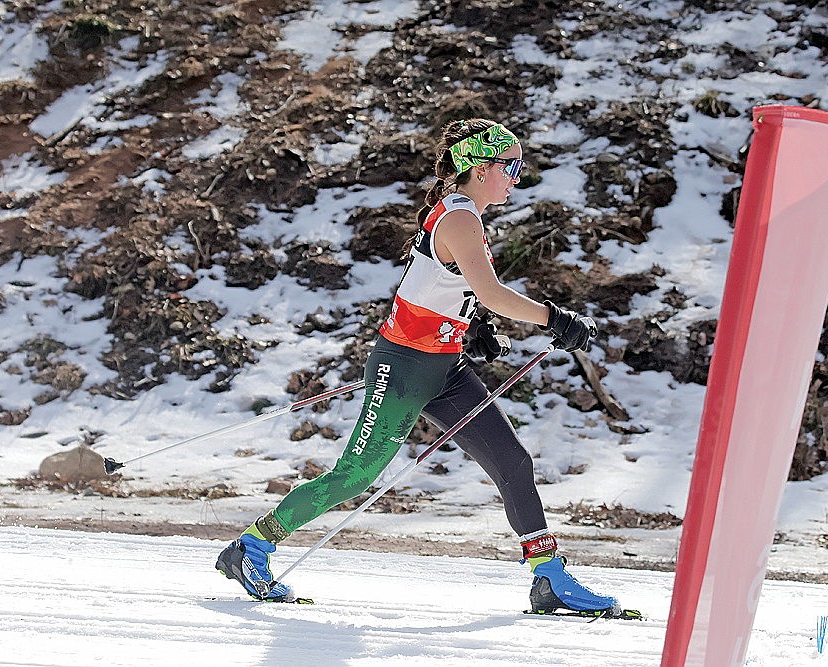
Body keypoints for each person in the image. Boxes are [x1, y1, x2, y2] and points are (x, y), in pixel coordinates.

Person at [216, 118, 622, 616]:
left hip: (444, 368)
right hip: (404, 368)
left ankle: (549, 577)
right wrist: (553, 318)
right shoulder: (459, 219)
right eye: (511, 166)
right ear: (480, 167)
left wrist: (474, 325)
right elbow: (491, 291)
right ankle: (251, 547)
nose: (518, 176)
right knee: (353, 478)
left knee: (513, 463)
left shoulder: (464, 214)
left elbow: (442, 283)